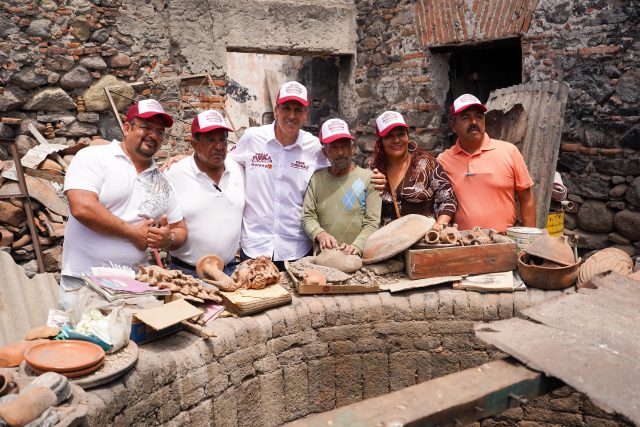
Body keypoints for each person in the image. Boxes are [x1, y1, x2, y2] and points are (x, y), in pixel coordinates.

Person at [60, 99, 188, 308]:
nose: (153, 135)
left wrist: (167, 239)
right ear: (127, 128)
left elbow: (180, 229)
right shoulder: (94, 157)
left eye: (160, 131)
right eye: (146, 127)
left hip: (136, 285)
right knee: (84, 340)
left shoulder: (163, 181)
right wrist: (132, 233)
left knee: (135, 340)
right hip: (84, 281)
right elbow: (82, 208)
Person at [227, 81, 328, 270]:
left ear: (306, 115)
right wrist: (188, 159)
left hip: (296, 248)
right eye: (286, 108)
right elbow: (224, 162)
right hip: (255, 245)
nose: (291, 115)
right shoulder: (252, 138)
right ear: (276, 111)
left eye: (298, 110)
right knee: (256, 298)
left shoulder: (314, 148)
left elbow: (337, 174)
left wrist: (371, 178)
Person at [438, 94, 536, 232]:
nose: (474, 122)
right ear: (453, 126)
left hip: (505, 242)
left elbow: (527, 199)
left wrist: (528, 241)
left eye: (479, 116)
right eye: (465, 117)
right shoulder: (443, 160)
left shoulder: (509, 151)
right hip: (463, 245)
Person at [165, 110, 244, 276]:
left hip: (230, 271)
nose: (219, 146)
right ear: (195, 144)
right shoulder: (174, 174)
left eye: (223, 139)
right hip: (186, 274)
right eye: (210, 140)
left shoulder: (238, 169)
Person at [302, 118, 381, 256]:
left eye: (344, 146)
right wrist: (320, 234)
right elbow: (308, 216)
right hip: (324, 258)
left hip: (359, 259)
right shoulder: (316, 179)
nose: (340, 153)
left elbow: (372, 222)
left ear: (353, 148)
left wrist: (357, 246)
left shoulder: (368, 179)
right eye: (334, 147)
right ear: (325, 152)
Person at [369, 111, 457, 228]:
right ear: (380, 141)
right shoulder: (373, 169)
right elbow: (362, 208)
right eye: (389, 136)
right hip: (386, 242)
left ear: (407, 136)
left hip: (424, 239)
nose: (396, 140)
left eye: (401, 134)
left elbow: (447, 199)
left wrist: (439, 226)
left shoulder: (426, 164)